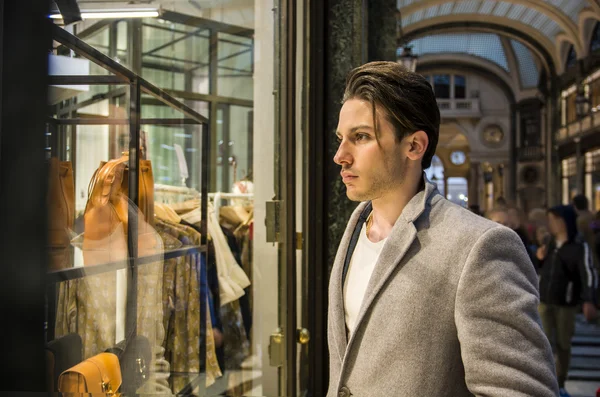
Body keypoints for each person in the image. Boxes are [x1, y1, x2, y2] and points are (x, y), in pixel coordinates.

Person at [328, 61, 558, 397]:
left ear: (414, 146)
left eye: (360, 137)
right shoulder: (353, 231)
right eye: (341, 138)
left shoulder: (479, 247)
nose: (340, 156)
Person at [536, 205, 598, 397]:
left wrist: (589, 299)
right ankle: (544, 382)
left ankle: (559, 384)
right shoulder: (551, 243)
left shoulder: (579, 246)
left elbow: (588, 273)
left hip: (566, 302)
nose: (551, 224)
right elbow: (543, 269)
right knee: (544, 342)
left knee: (563, 344)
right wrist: (540, 258)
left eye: (555, 220)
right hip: (545, 299)